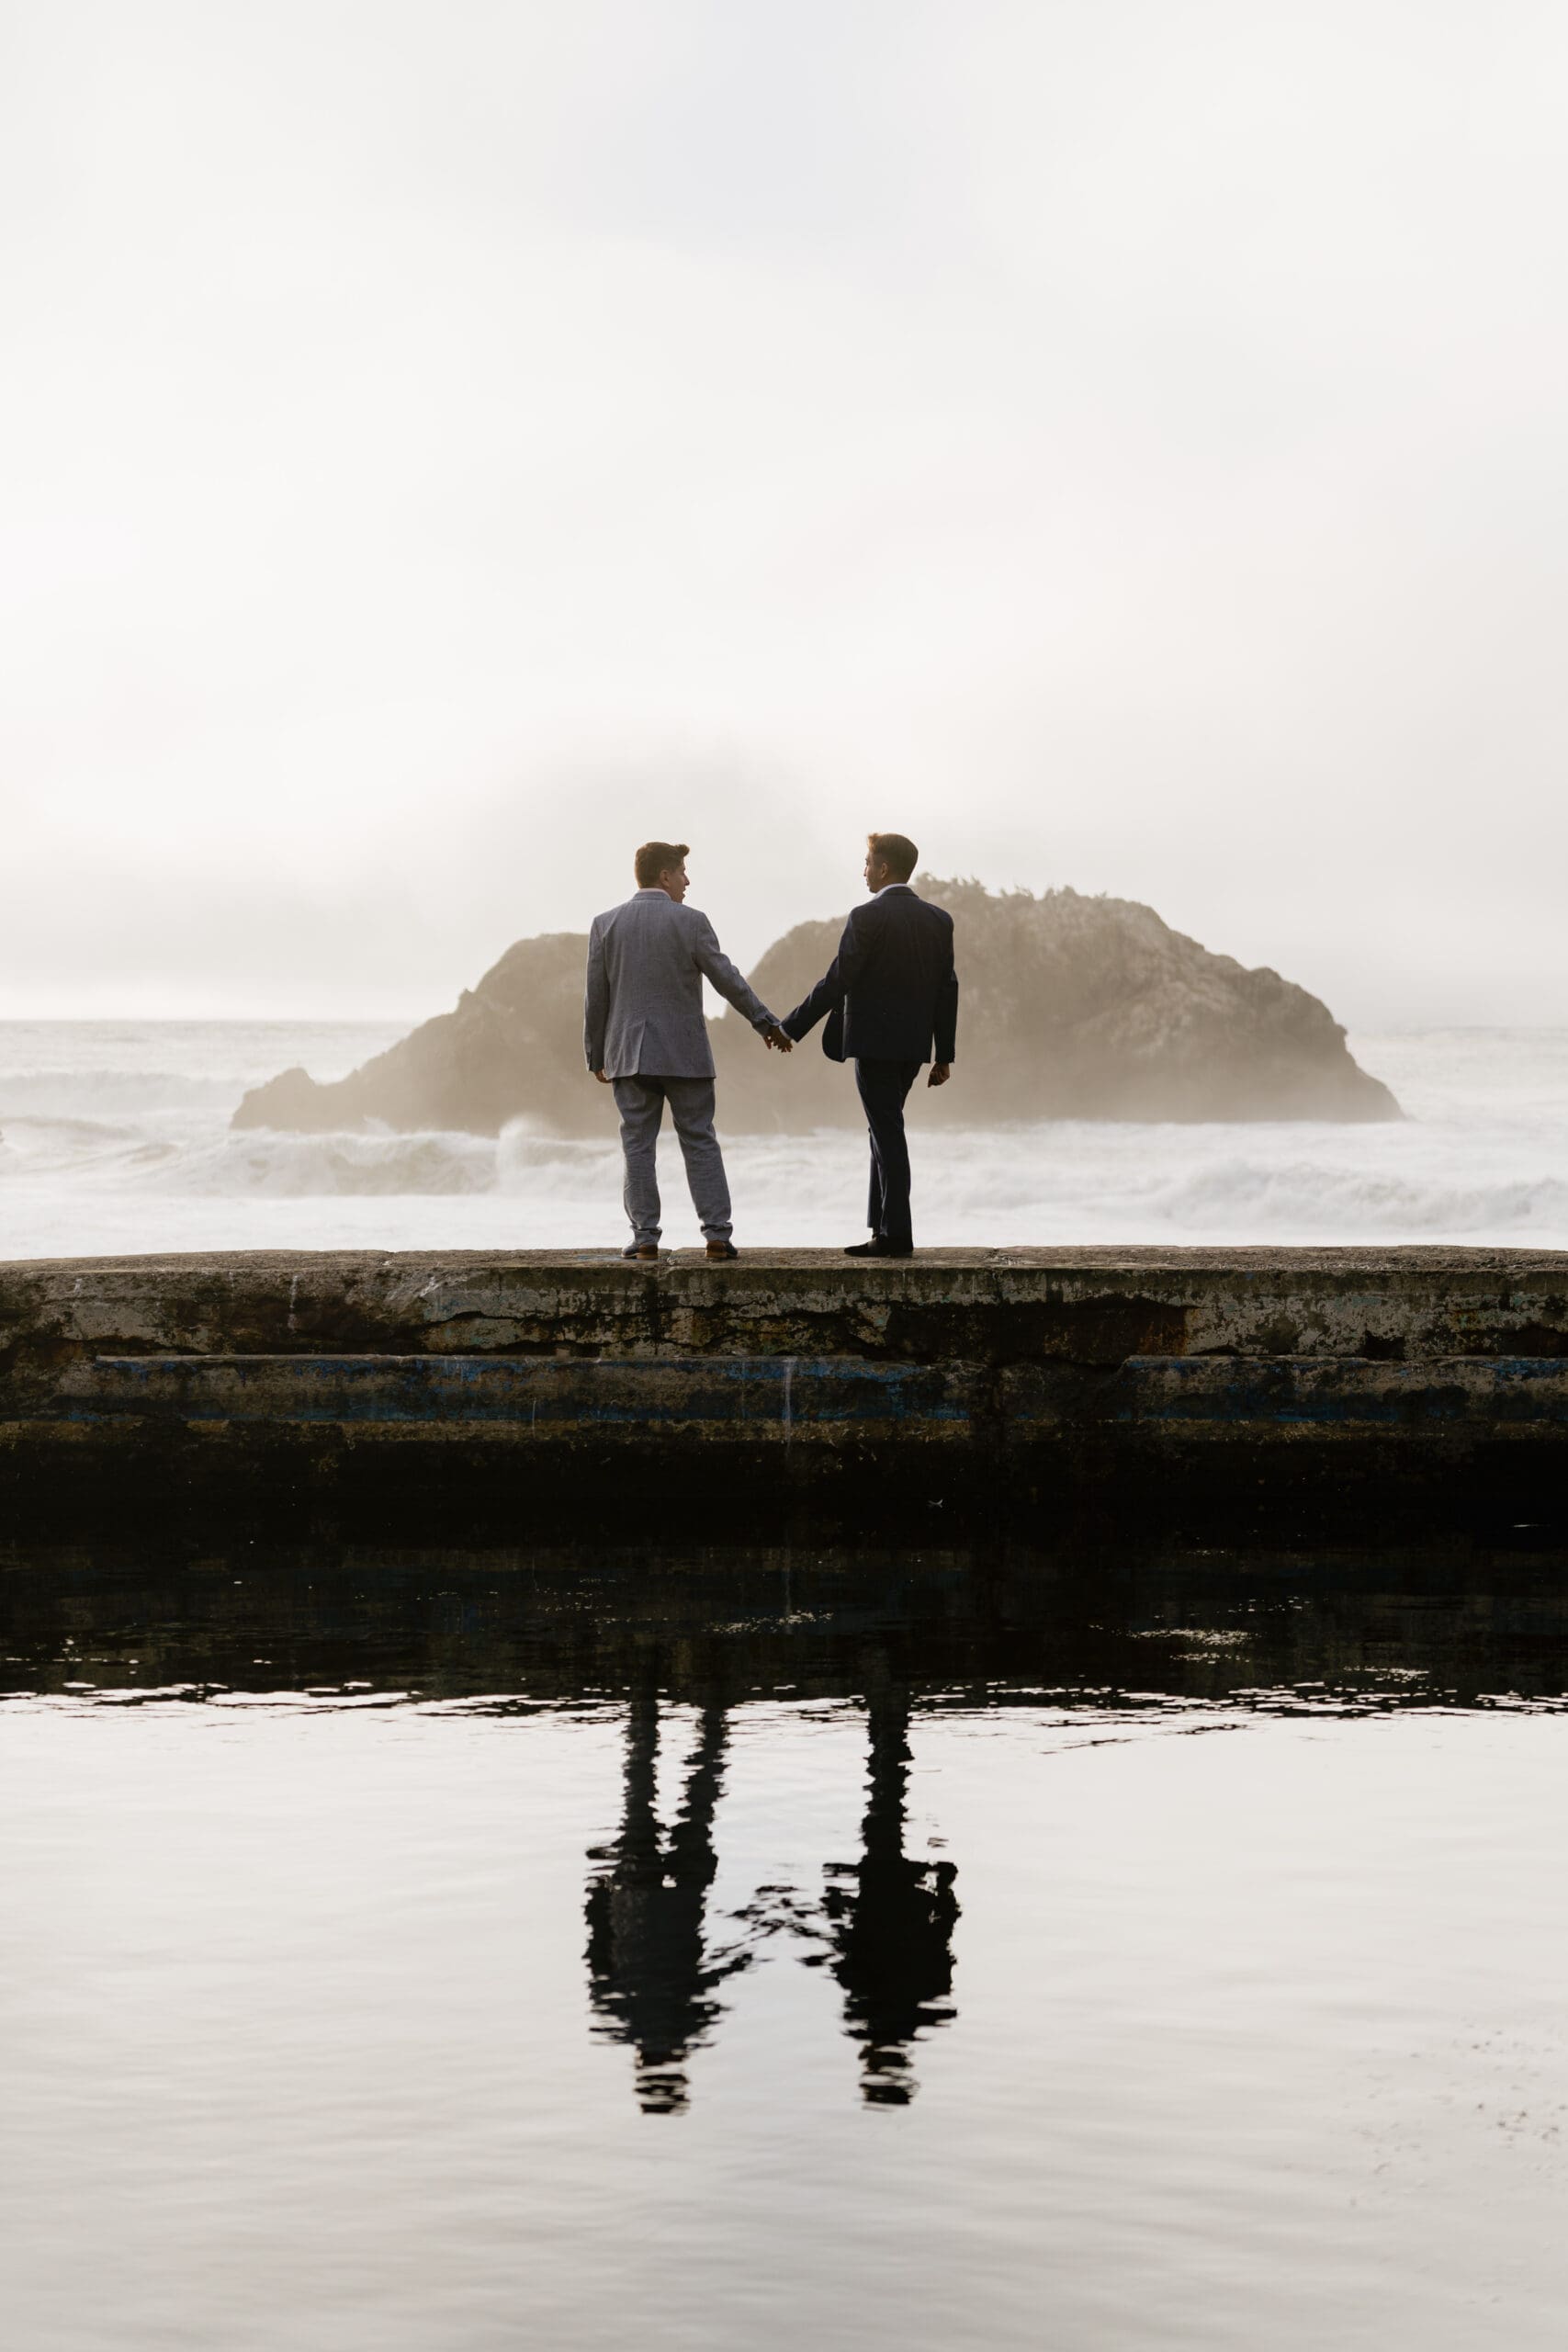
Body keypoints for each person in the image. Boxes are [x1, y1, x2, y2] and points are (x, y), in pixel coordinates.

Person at [585, 841, 792, 1261]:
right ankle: (716, 1235)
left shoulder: (605, 924)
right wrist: (765, 1022)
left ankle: (644, 1238)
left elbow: (596, 998)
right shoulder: (691, 922)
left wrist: (596, 1054)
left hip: (628, 1054)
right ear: (664, 875)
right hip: (685, 1054)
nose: (687, 881)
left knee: (637, 1146)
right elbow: (727, 980)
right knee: (699, 1141)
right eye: (682, 872)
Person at [782, 833, 957, 1258]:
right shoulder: (938, 920)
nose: (862, 870)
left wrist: (791, 1028)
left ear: (883, 868)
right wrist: (943, 1055)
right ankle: (882, 1226)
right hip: (914, 1048)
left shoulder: (866, 917)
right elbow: (946, 988)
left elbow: (839, 978)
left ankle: (896, 1233)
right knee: (884, 1128)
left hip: (874, 1044)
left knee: (887, 1132)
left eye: (866, 862)